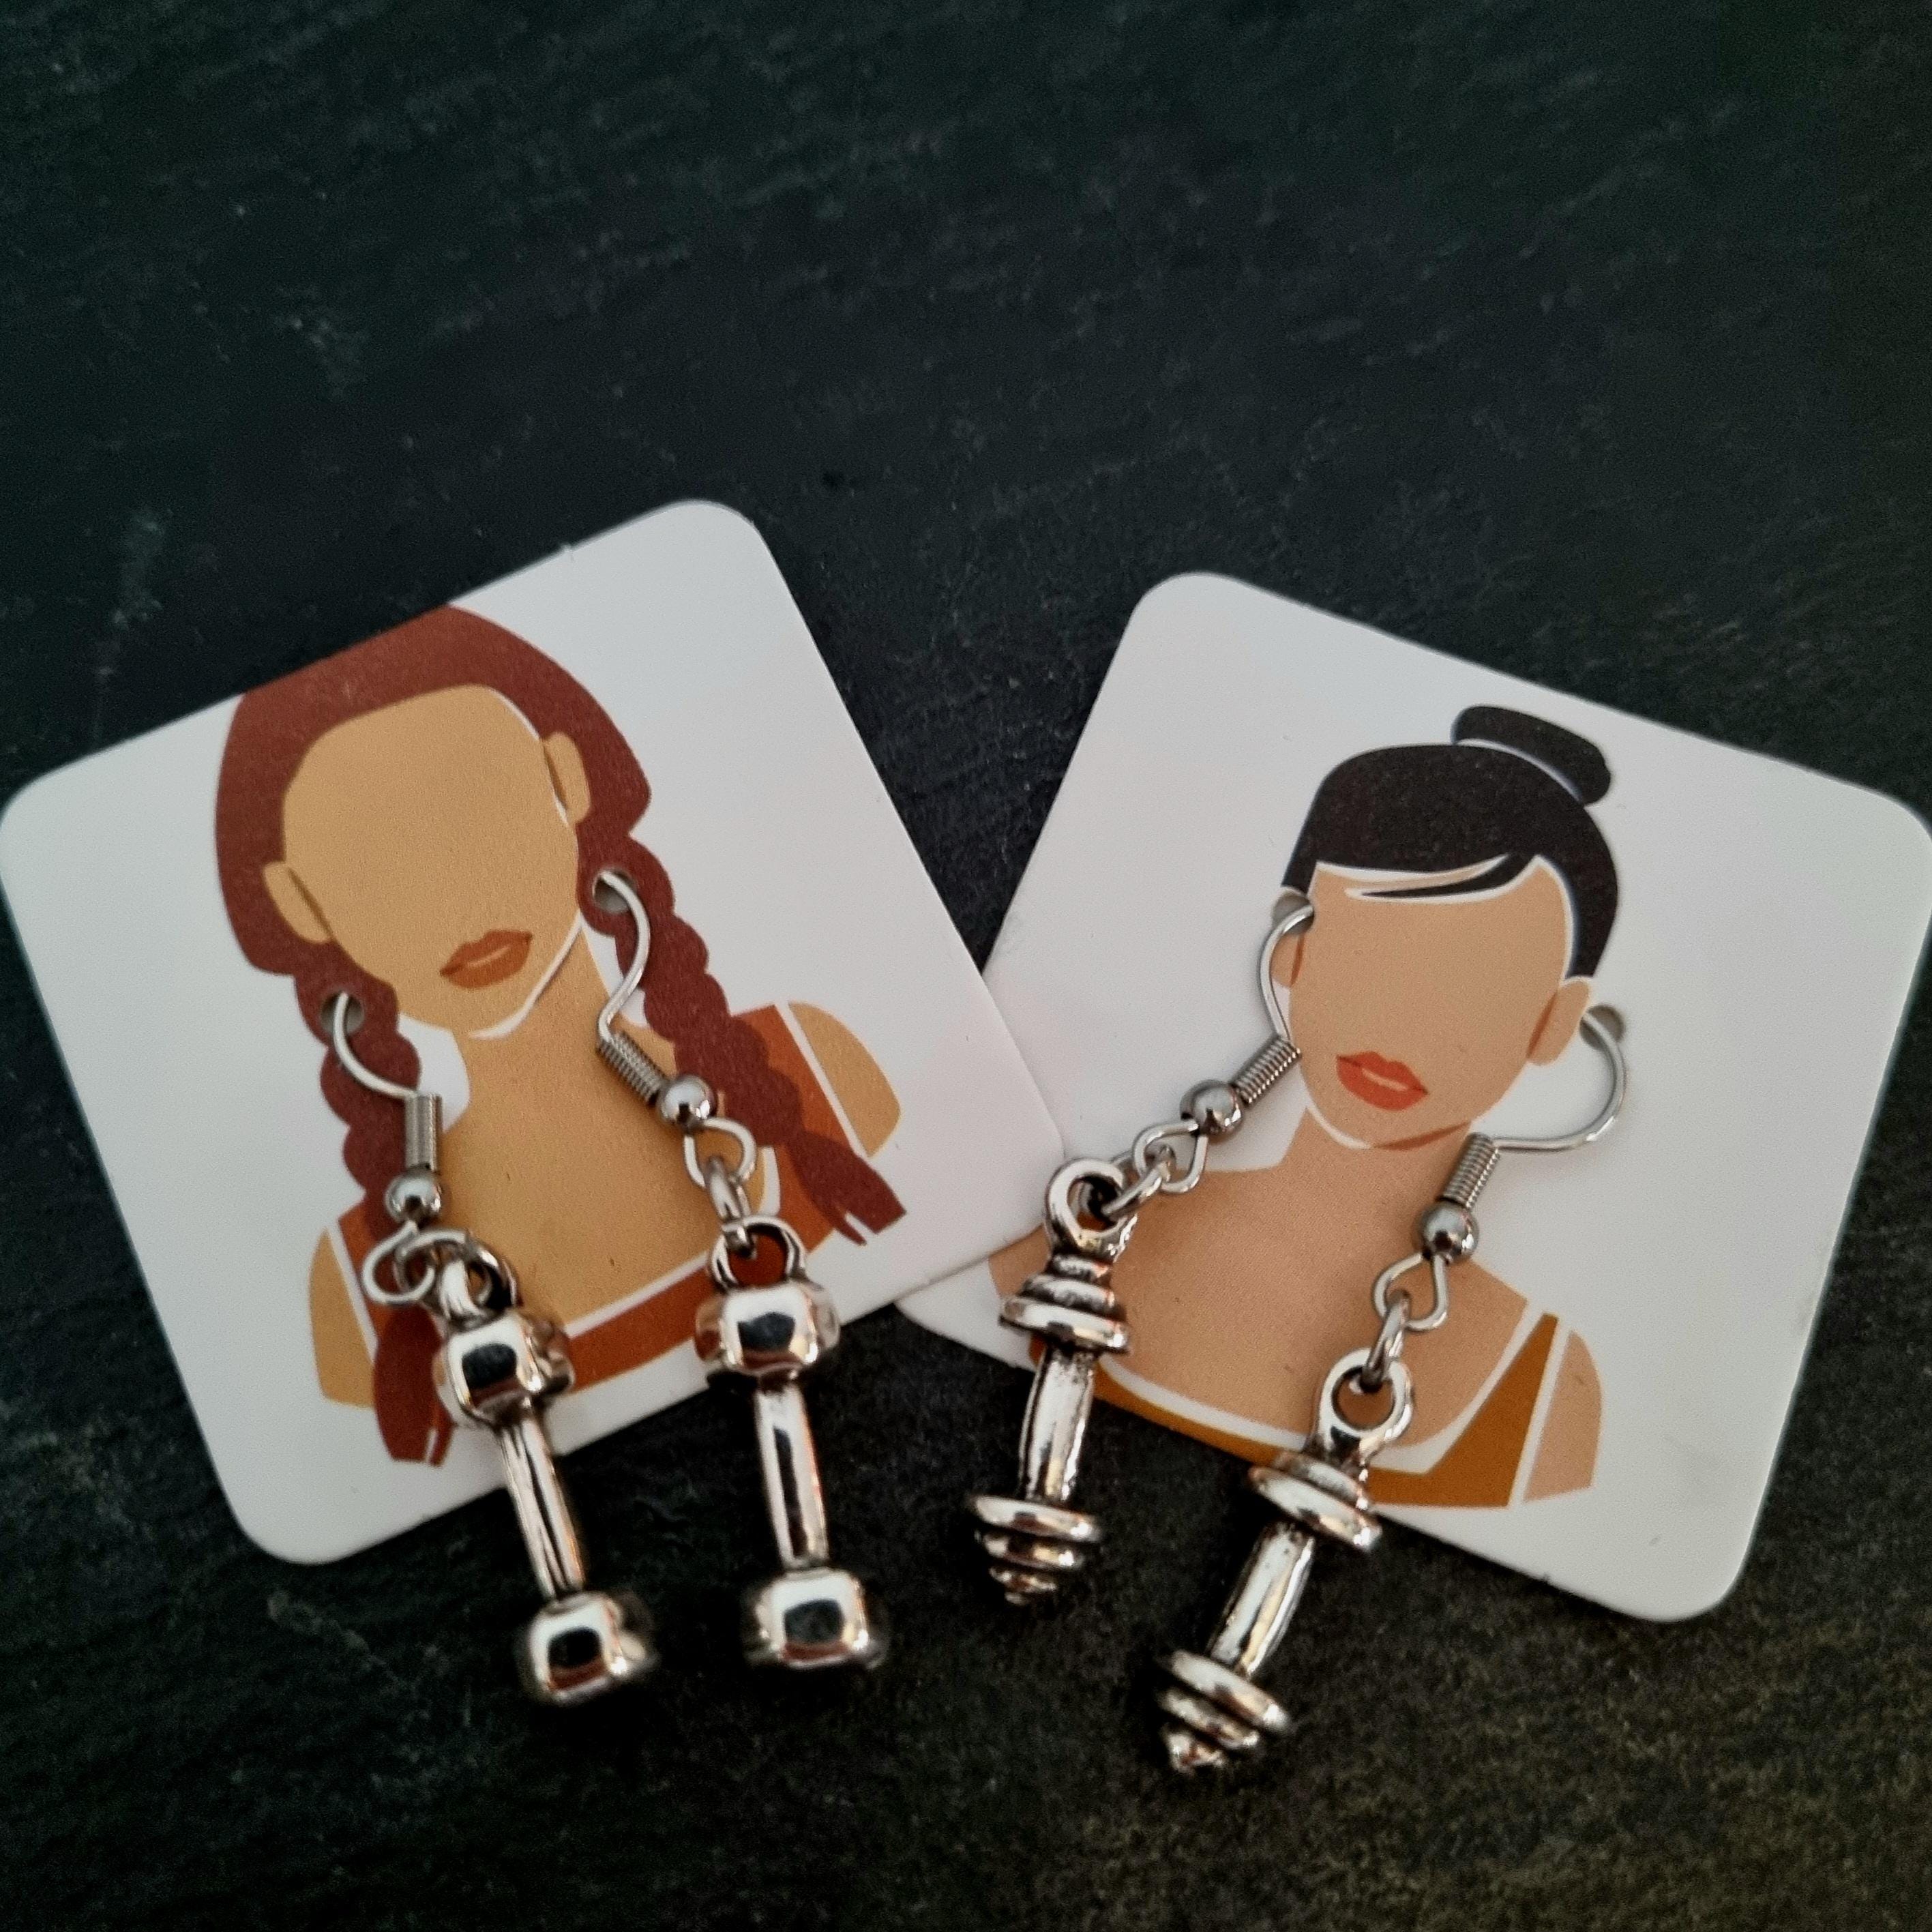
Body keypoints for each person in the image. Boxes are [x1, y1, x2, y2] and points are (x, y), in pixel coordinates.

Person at [217, 606, 903, 1464]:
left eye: (483, 808)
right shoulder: (357, 1288)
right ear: (301, 905)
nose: (457, 899)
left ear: (566, 778)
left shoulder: (813, 1076)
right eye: (376, 863)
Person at [993, 706, 1618, 1506]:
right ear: (1293, 947)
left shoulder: (1546, 1389)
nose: (1399, 1028)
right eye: (1368, 957)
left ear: (1556, 1021)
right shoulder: (1052, 1241)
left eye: (1472, 992)